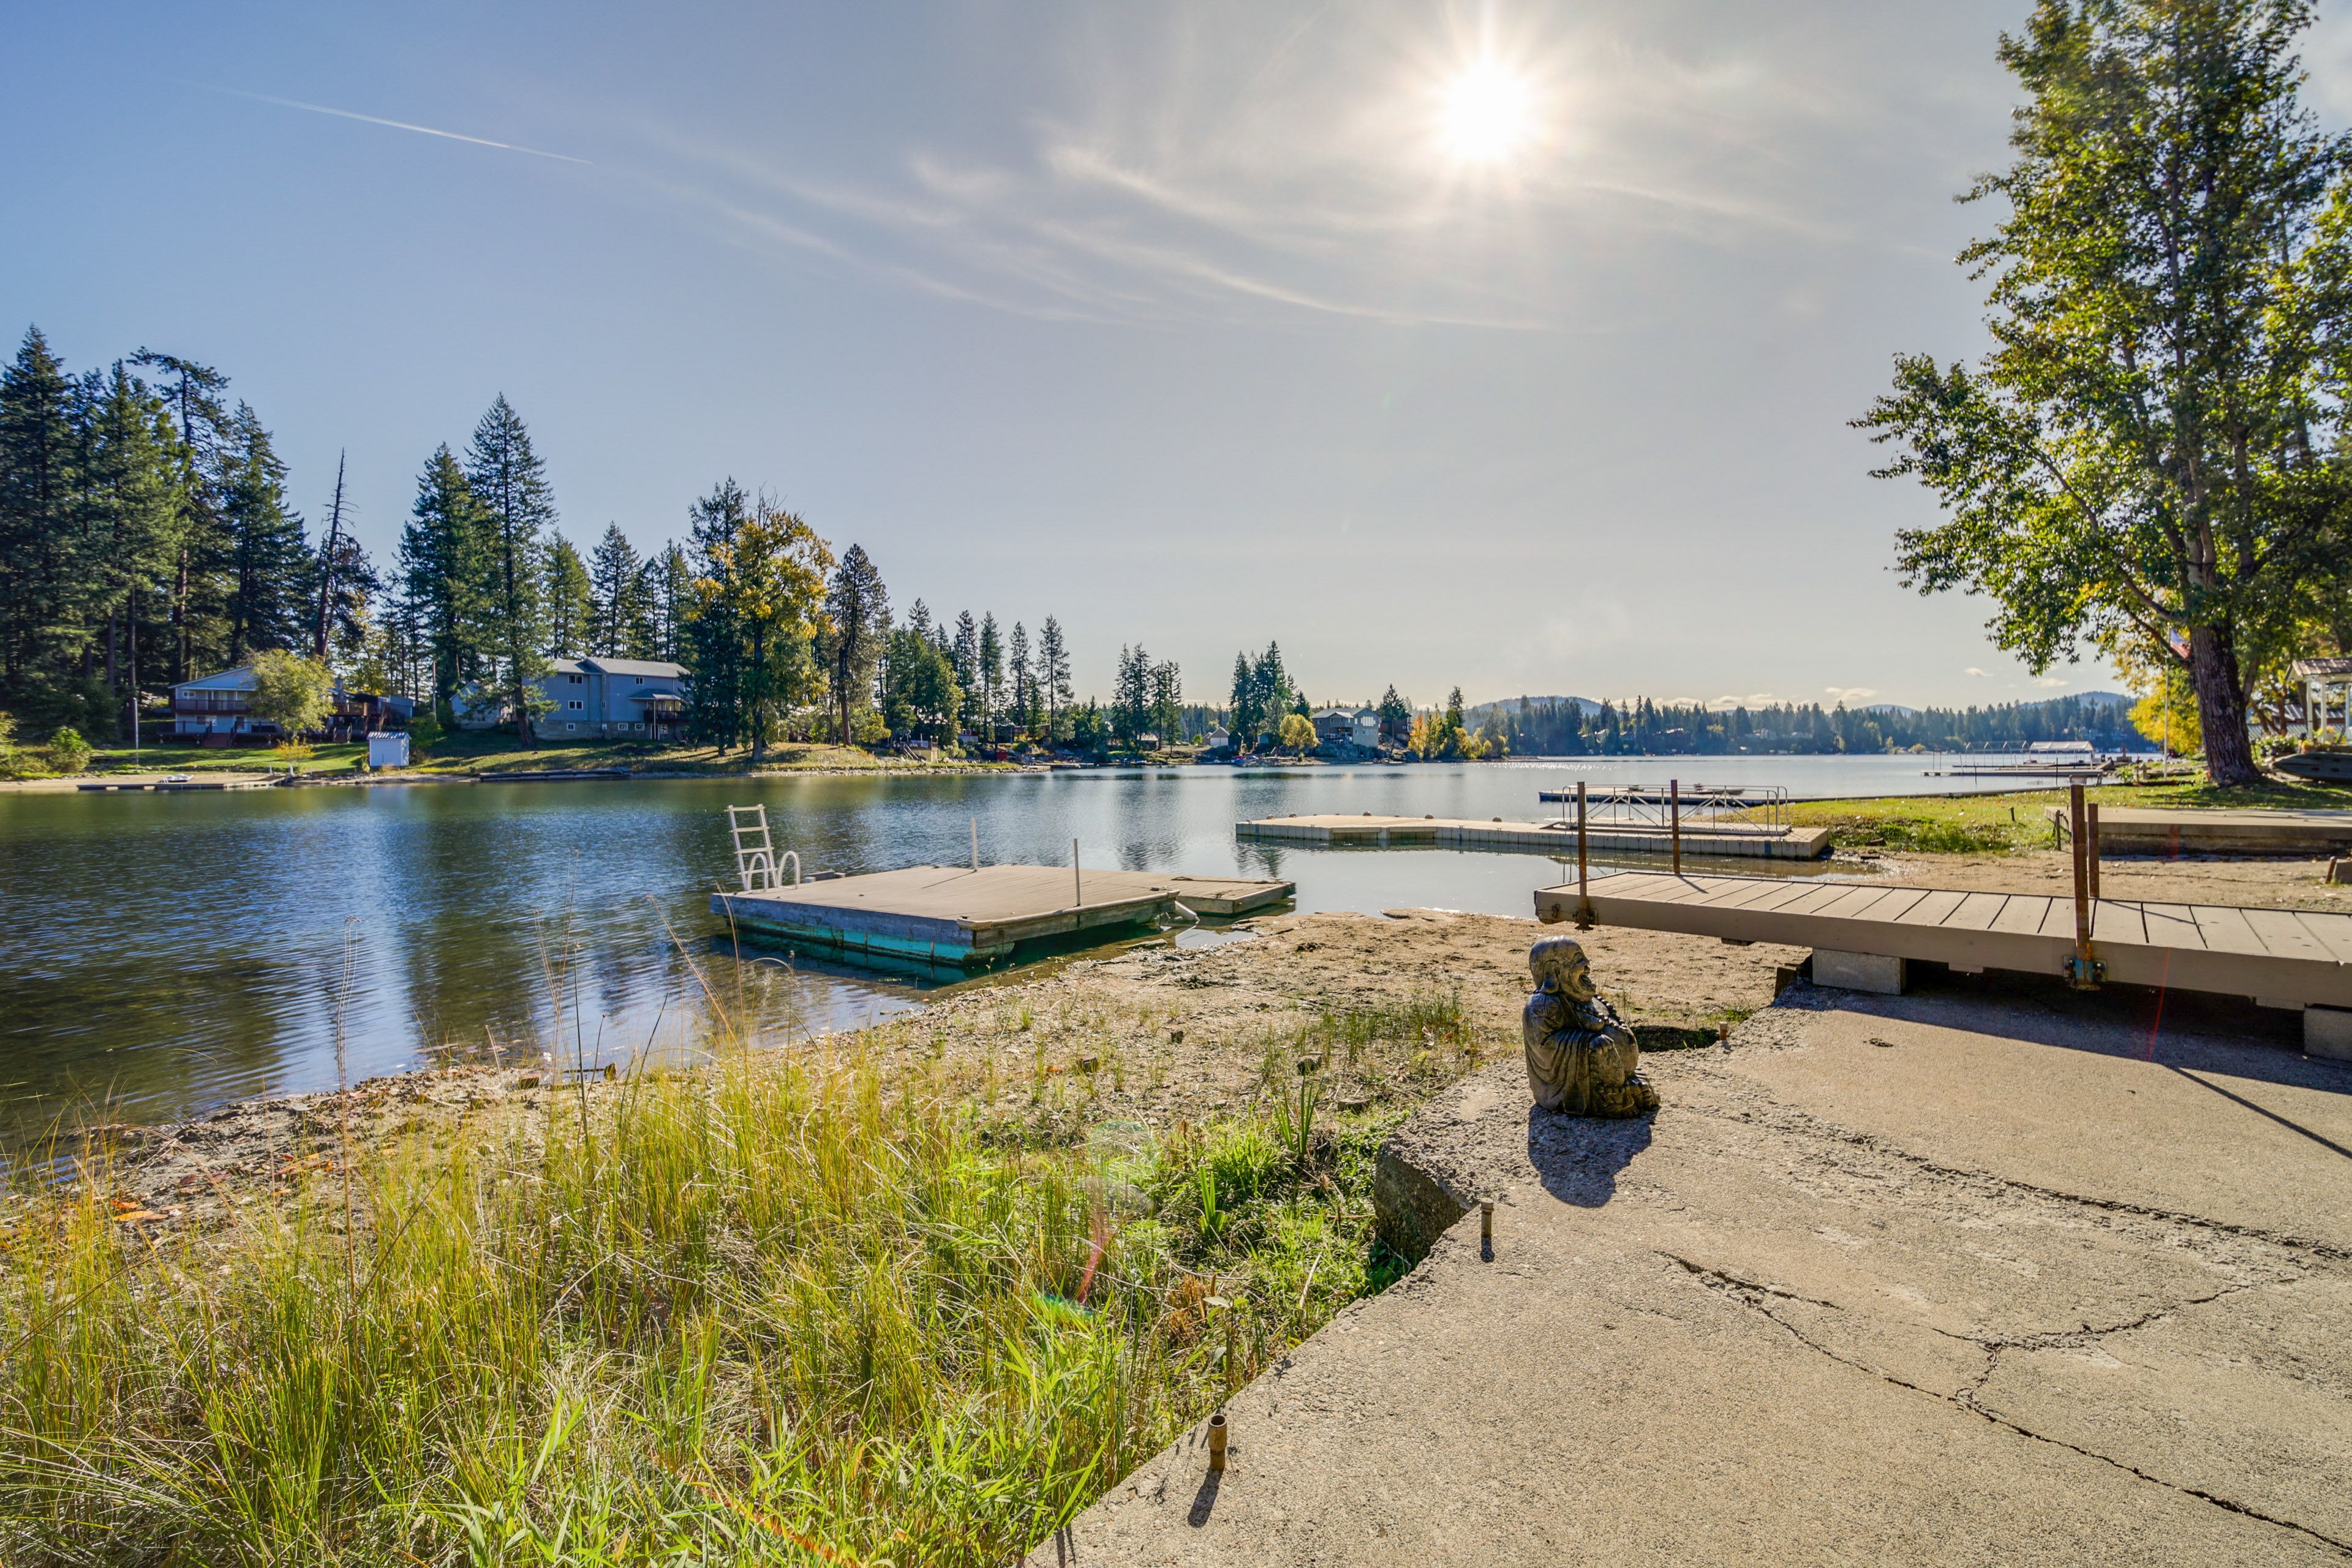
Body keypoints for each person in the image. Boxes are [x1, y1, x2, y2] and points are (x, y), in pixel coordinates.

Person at [1522, 935, 1658, 1118]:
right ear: (1554, 970)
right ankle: (1610, 1096)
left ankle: (1627, 1085)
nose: (1587, 964)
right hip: (1575, 1085)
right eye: (1578, 960)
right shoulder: (1543, 1004)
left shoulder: (1585, 996)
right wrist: (1587, 1042)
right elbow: (1544, 1049)